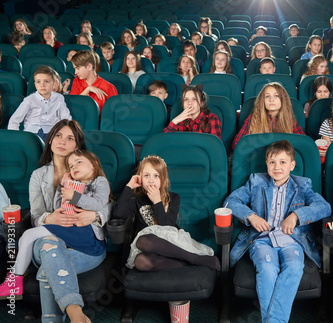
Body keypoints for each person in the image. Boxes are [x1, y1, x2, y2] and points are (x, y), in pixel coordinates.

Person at [225, 139, 331, 323]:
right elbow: (230, 202)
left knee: (294, 267)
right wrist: (251, 216)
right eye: (272, 162)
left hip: (292, 240)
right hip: (261, 240)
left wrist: (297, 215)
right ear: (266, 164)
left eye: (283, 162)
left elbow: (324, 207)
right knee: (267, 268)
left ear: (292, 165)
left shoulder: (302, 185)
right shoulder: (256, 182)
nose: (277, 167)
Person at [112, 155, 220, 321]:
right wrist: (129, 187)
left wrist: (157, 202)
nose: (151, 180)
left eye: (156, 176)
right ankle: (187, 262)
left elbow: (166, 227)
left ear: (163, 179)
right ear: (140, 178)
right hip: (150, 250)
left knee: (144, 239)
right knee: (140, 261)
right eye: (146, 175)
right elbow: (118, 213)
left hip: (171, 244)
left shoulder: (173, 198)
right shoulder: (137, 200)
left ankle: (194, 257)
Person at [0, 150, 111, 301]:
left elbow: (98, 203)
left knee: (28, 235)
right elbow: (58, 206)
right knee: (27, 237)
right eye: (71, 166)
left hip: (84, 230)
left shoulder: (99, 181)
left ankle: (15, 279)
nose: (74, 167)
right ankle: (16, 278)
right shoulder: (73, 185)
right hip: (69, 227)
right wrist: (62, 187)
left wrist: (74, 195)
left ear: (94, 164)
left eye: (79, 162)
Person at [27, 119, 108, 322]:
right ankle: (75, 313)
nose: (62, 141)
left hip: (85, 245)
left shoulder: (87, 170)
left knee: (49, 268)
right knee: (49, 245)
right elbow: (36, 216)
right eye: (58, 135)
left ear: (77, 146)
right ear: (50, 140)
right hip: (48, 238)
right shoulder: (38, 176)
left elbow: (106, 202)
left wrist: (96, 215)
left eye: (70, 138)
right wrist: (49, 217)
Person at [232, 83, 305, 150]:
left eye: (276, 96)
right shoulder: (253, 118)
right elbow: (237, 144)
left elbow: (304, 143)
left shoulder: (289, 120)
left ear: (283, 100)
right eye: (267, 96)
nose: (271, 100)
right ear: (262, 101)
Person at [8, 66, 71, 141]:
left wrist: (66, 132)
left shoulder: (59, 98)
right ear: (35, 84)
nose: (42, 85)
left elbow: (65, 118)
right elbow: (14, 120)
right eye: (38, 82)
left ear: (53, 84)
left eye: (46, 81)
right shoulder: (29, 100)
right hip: (32, 133)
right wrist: (16, 138)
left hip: (52, 132)